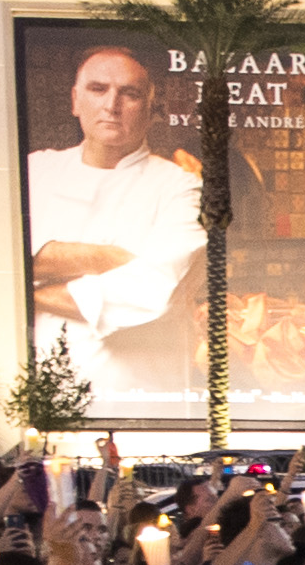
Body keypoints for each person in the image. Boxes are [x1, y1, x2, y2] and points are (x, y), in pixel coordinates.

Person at [24, 42, 209, 348]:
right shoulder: (35, 170)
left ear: (150, 108)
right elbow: (5, 259)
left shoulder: (180, 185)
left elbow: (154, 290)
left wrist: (27, 293)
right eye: (98, 89)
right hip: (42, 383)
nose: (112, 104)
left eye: (130, 93)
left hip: (143, 387)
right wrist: (111, 258)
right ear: (75, 100)